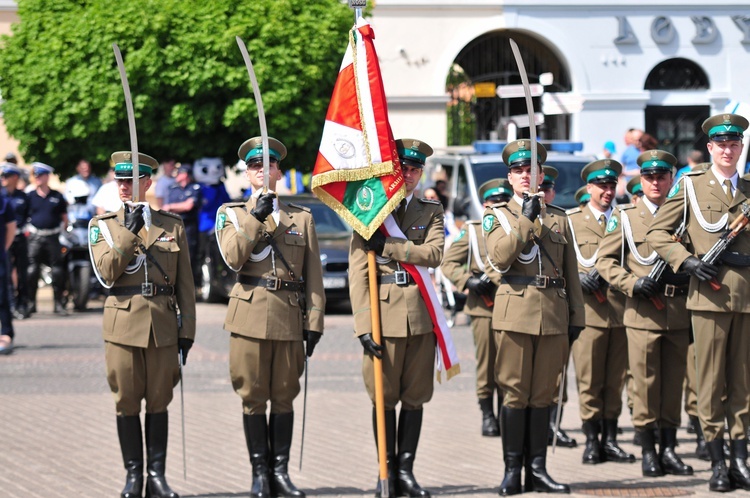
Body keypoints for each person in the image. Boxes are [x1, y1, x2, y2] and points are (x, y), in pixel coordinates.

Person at [216, 136, 325, 498]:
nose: (262, 170)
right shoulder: (231, 214)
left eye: (269, 165)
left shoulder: (301, 217)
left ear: (280, 171)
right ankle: (259, 473)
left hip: (289, 316)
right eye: (255, 165)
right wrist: (255, 217)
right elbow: (233, 257)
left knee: (283, 395)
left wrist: (315, 321)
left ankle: (280, 472)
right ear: (247, 173)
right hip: (248, 314)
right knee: (252, 395)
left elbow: (313, 277)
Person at [646, 113, 750, 492]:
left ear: (741, 147)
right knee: (708, 383)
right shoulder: (691, 186)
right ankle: (718, 462)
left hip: (747, 298)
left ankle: (741, 459)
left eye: (734, 143)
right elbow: (657, 231)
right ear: (710, 148)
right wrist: (686, 261)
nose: (727, 149)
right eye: (720, 143)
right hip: (709, 298)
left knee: (743, 384)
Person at [88, 151, 196, 498]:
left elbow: (185, 285)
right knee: (127, 401)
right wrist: (127, 232)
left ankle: (157, 476)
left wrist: (187, 330)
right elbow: (106, 272)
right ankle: (133, 476)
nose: (124, 187)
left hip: (162, 323)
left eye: (132, 180)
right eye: (120, 180)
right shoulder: (102, 226)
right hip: (122, 324)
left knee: (160, 400)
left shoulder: (171, 225)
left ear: (148, 183)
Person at [483, 140, 584, 495]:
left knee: (544, 394)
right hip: (515, 312)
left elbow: (570, 272)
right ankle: (513, 469)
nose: (527, 175)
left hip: (554, 313)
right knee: (514, 393)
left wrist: (577, 316)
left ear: (541, 174)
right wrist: (526, 217)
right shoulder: (496, 215)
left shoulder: (559, 217)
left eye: (532, 170)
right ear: (510, 178)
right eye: (519, 170)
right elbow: (500, 257)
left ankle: (538, 468)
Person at [349, 138, 443, 498]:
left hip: (420, 314)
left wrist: (388, 247)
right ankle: (384, 471)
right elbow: (357, 273)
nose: (408, 174)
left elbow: (433, 254)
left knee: (416, 397)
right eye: (402, 167)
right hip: (383, 315)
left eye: (415, 169)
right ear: (391, 169)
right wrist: (362, 325)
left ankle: (406, 471)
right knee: (383, 397)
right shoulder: (369, 210)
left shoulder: (431, 210)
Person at [596, 150, 693, 478]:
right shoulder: (625, 216)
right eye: (649, 177)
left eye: (662, 176)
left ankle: (669, 448)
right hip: (641, 312)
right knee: (645, 383)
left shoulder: (685, 215)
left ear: (671, 178)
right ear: (641, 179)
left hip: (678, 310)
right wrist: (632, 284)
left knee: (673, 384)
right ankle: (649, 450)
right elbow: (605, 261)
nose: (655, 182)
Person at [566, 159, 634, 465]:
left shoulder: (626, 218)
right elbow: (561, 262)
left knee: (614, 381)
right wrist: (578, 278)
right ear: (589, 188)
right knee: (590, 379)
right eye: (602, 186)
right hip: (589, 312)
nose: (608, 191)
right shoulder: (571, 221)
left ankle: (611, 438)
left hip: (620, 311)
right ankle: (591, 440)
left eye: (612, 185)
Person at [441, 179, 508, 438]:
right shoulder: (472, 230)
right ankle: (487, 414)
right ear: (484, 205)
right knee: (487, 362)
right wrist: (467, 281)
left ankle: (506, 413)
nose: (497, 207)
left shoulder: (515, 229)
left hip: (511, 305)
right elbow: (448, 263)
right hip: (483, 307)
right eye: (492, 203)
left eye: (501, 202)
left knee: (509, 363)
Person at [26, 162, 68, 316]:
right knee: (32, 271)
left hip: (53, 236)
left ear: (47, 176)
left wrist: (63, 232)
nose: (37, 178)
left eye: (40, 175)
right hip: (35, 237)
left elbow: (65, 218)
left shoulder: (57, 196)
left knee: (57, 271)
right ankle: (31, 304)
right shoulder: (30, 196)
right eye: (35, 175)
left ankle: (58, 304)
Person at [162, 164, 202, 290]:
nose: (177, 175)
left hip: (189, 227)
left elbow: (188, 206)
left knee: (189, 256)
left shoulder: (195, 188)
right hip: (173, 226)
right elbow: (165, 206)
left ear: (185, 174)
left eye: (179, 173)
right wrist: (177, 206)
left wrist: (172, 207)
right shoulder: (172, 188)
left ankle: (190, 286)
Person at [1, 163, 30, 319]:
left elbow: (29, 215)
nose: (3, 179)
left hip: (20, 237)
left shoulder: (23, 196)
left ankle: (22, 304)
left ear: (15, 178)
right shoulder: (1, 196)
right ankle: (10, 304)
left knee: (22, 272)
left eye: (6, 176)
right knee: (6, 273)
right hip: (4, 239)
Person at [0, 191, 16, 354]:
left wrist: (3, 249)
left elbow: (11, 228)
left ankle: (5, 332)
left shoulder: (3, 202)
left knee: (2, 295)